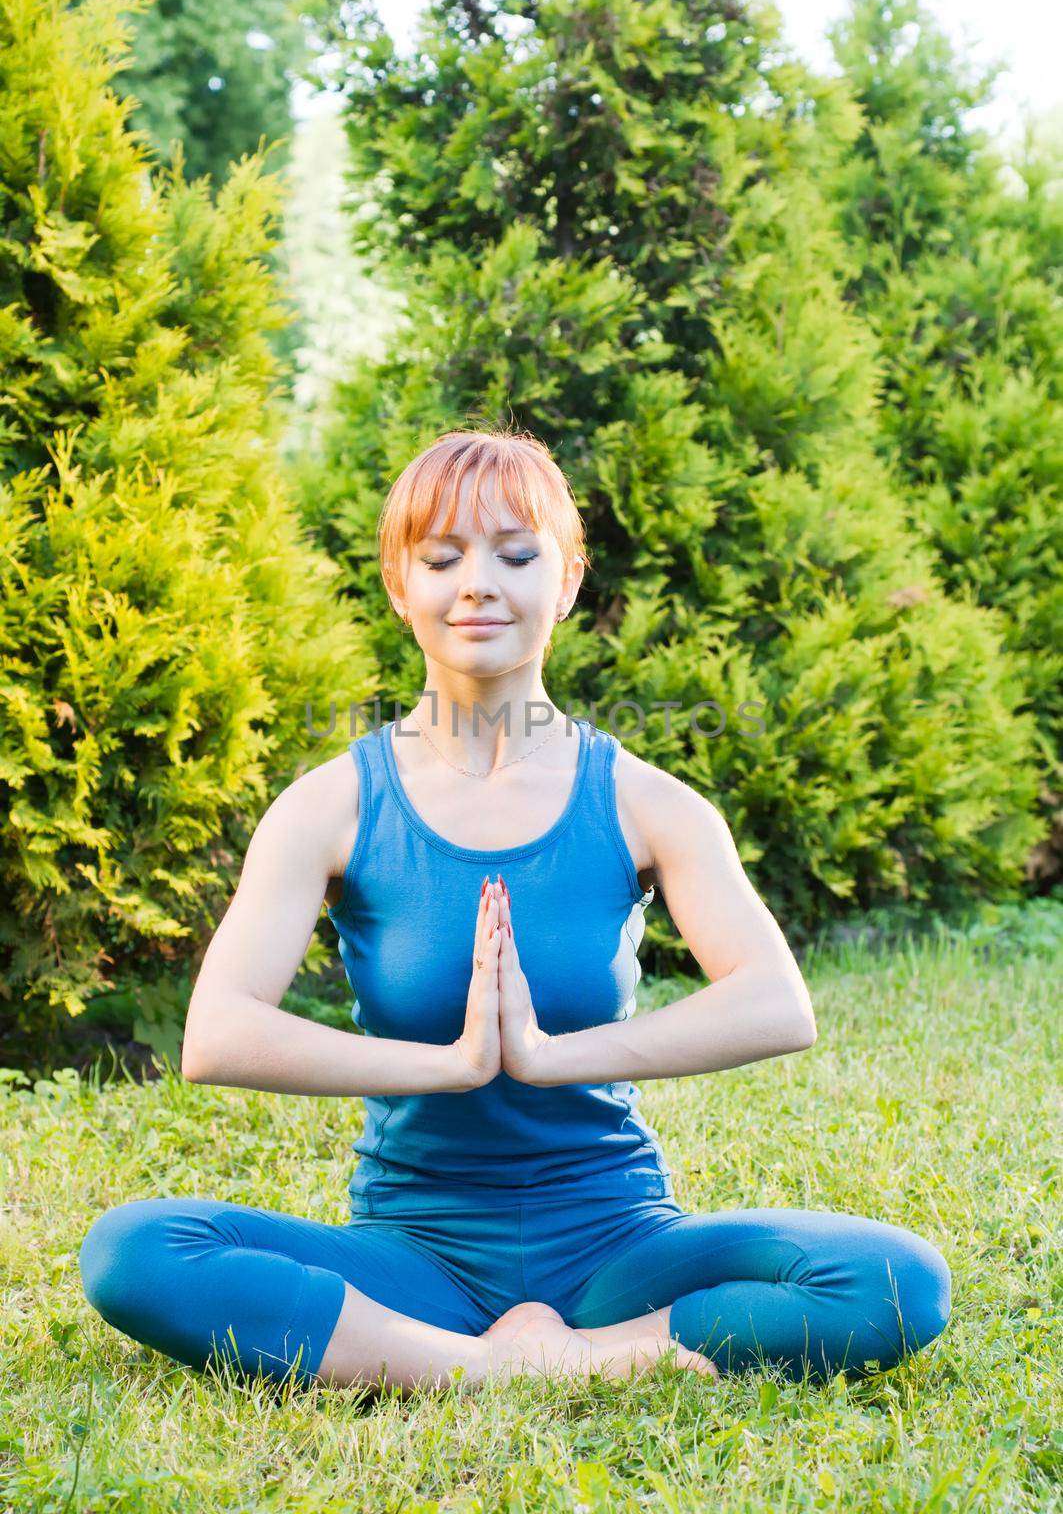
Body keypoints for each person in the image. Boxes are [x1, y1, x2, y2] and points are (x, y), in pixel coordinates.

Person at [78, 428, 952, 1398]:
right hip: (416, 1255)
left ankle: (583, 1347)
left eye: (516, 554)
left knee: (895, 1282)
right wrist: (452, 1066)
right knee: (137, 1249)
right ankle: (497, 1368)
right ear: (398, 583)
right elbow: (219, 1033)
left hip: (615, 1246)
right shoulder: (333, 805)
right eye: (442, 558)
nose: (477, 585)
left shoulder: (645, 802)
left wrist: (544, 1054)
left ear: (567, 580)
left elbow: (775, 1004)